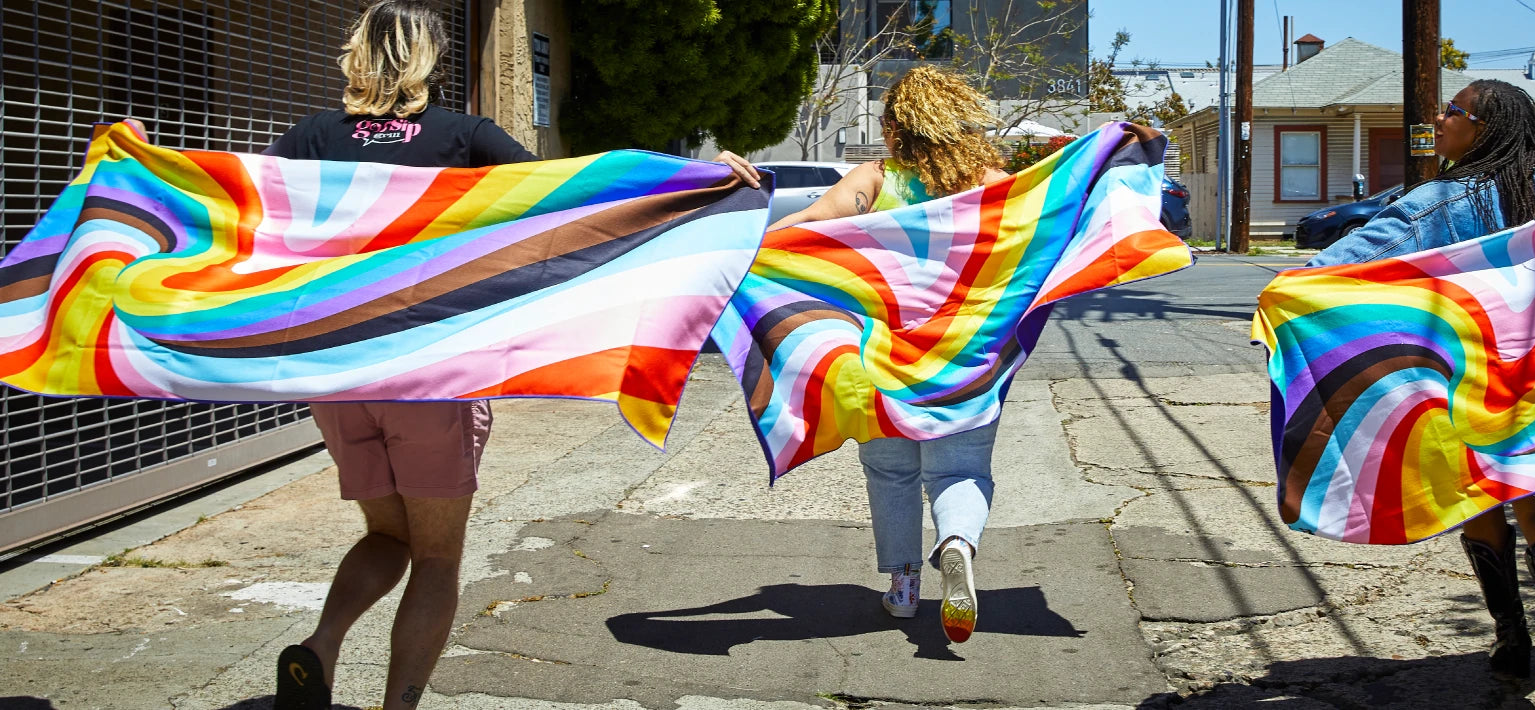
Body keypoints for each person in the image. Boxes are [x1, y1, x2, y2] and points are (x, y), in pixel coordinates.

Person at [259, 3, 756, 708]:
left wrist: (137, 166)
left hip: (338, 377)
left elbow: (235, 211)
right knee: (434, 553)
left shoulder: (311, 138)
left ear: (357, 53)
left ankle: (321, 645)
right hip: (431, 376)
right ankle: (399, 704)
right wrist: (705, 182)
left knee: (385, 535)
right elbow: (574, 200)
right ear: (429, 57)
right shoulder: (464, 136)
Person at [1308, 79, 1535, 710]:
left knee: (1477, 504)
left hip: (1468, 378)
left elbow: (1347, 259)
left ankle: (1511, 640)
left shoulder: (1438, 201)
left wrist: (1289, 293)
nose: (1439, 119)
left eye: (1454, 111)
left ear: (1484, 126)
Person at [765, 65, 1011, 644]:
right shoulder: (997, 184)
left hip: (883, 354)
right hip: (969, 356)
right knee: (961, 468)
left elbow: (808, 227)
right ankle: (956, 545)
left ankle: (903, 588)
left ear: (898, 126)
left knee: (890, 469)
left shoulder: (875, 179)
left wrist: (748, 248)